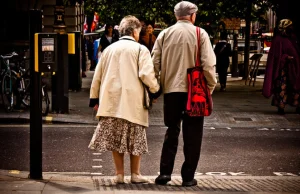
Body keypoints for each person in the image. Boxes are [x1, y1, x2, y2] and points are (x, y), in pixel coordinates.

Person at [88, 15, 160, 184]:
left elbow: (97, 76)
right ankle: (135, 174)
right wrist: (155, 90)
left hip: (111, 101)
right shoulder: (141, 50)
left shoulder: (108, 50)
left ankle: (119, 174)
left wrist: (94, 98)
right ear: (135, 31)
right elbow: (146, 74)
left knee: (116, 139)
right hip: (133, 102)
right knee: (135, 139)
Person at [152, 1, 217, 187]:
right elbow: (209, 65)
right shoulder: (200, 33)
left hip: (171, 91)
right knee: (193, 135)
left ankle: (164, 173)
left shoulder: (164, 34)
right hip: (194, 93)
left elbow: (154, 63)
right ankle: (188, 177)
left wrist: (156, 88)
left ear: (176, 15)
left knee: (171, 131)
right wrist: (209, 88)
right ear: (193, 15)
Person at [262, 19, 300, 115]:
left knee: (296, 87)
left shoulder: (293, 38)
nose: (291, 28)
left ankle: (297, 105)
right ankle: (281, 107)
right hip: (282, 70)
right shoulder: (278, 40)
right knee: (282, 88)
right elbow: (275, 56)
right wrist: (286, 57)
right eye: (289, 26)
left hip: (294, 68)